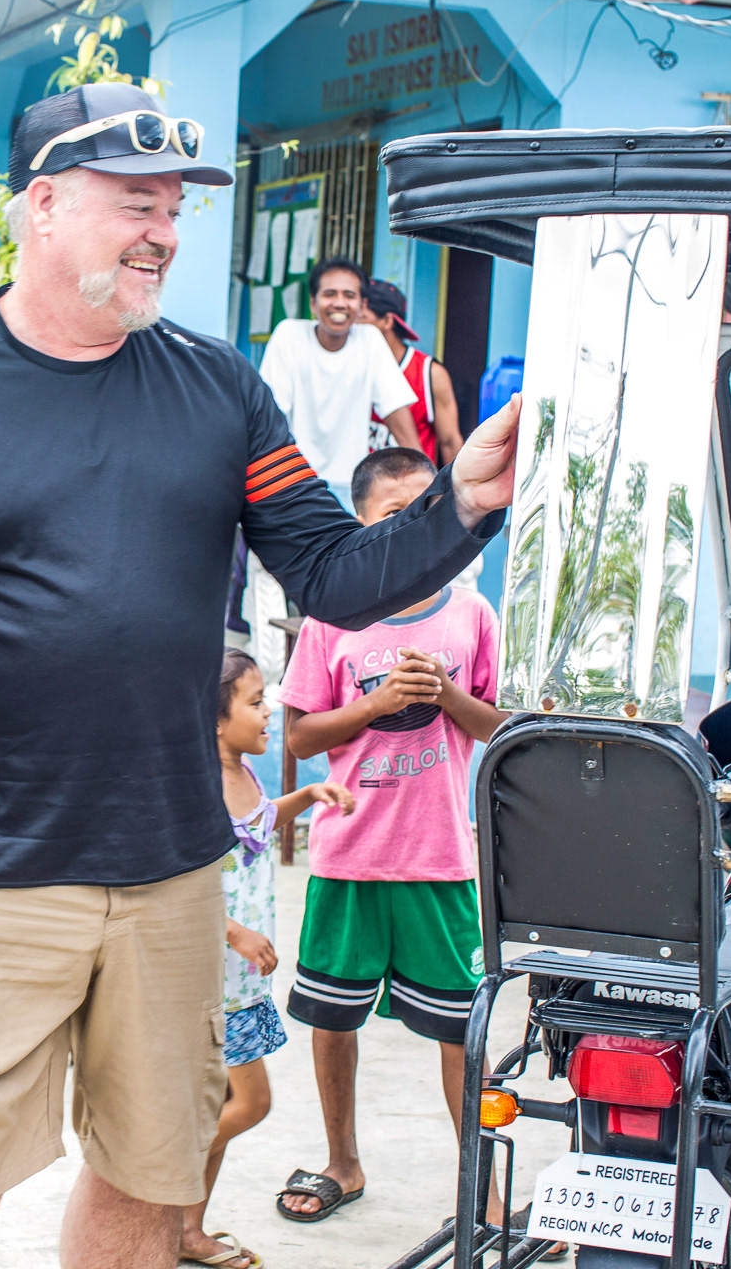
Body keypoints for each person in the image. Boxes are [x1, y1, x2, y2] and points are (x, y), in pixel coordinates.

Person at [0, 79, 518, 1269]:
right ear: (42, 204)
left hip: (172, 868)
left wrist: (464, 505)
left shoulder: (218, 386)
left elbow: (334, 570)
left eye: (175, 208)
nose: (165, 234)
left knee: (151, 1184)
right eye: (137, 202)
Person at [274, 447, 506, 1227]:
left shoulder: (472, 615)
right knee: (333, 1019)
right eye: (390, 517)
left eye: (423, 513)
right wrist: (373, 709)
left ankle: (481, 1185)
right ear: (362, 529)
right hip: (349, 857)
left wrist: (445, 696)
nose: (410, 530)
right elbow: (302, 738)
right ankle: (342, 1159)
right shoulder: (332, 620)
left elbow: (500, 729)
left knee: (457, 1030)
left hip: (441, 857)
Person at [182, 649, 355, 1269]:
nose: (270, 712)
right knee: (248, 1105)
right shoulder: (196, 788)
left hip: (241, 985)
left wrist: (308, 793)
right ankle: (153, 1178)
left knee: (216, 1107)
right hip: (208, 983)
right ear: (215, 719)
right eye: (255, 702)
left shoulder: (246, 778)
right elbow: (177, 885)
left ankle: (187, 1231)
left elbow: (256, 826)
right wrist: (234, 933)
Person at [259, 257, 420, 499]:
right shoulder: (289, 335)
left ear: (362, 304)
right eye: (330, 294)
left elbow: (396, 412)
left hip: (351, 489)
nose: (339, 303)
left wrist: (425, 484)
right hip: (294, 484)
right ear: (313, 302)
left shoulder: (370, 340)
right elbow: (271, 418)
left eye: (349, 295)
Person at [361, 278, 462, 466]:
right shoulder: (351, 363)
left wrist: (453, 493)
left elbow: (449, 442)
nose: (352, 326)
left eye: (361, 318)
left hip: (409, 490)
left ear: (387, 321)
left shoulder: (429, 373)